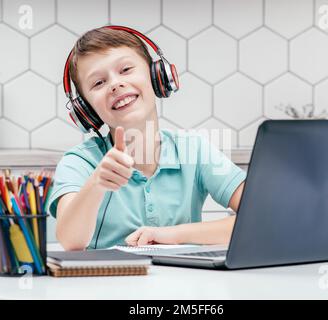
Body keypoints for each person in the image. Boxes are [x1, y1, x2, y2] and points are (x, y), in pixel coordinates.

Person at [45, 26, 246, 251]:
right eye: (98, 83)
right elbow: (71, 241)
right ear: (86, 109)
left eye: (126, 69)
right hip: (105, 283)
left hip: (184, 284)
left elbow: (259, 216)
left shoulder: (194, 149)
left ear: (156, 76)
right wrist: (96, 183)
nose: (115, 84)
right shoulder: (80, 162)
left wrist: (174, 235)